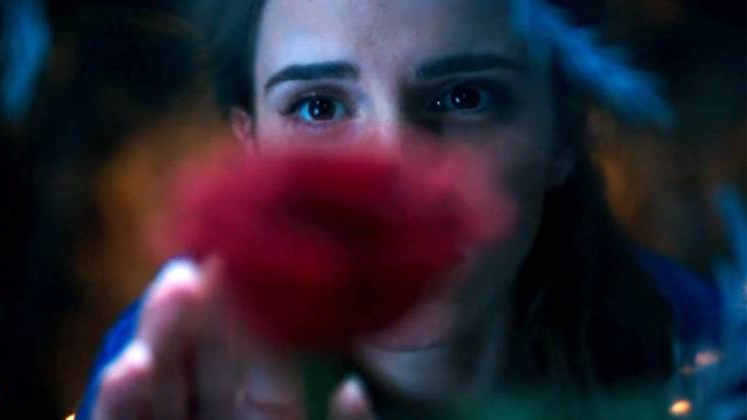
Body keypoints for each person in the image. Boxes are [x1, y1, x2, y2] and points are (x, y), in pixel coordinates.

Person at [78, 0, 713, 418]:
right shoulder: (168, 369)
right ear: (251, 148)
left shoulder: (714, 356)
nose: (392, 167)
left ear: (566, 134)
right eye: (319, 107)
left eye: (466, 97)